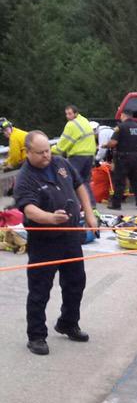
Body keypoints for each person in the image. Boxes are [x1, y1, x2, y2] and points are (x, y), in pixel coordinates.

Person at [13, 131, 98, 356]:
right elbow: (29, 209)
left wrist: (89, 214)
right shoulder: (24, 178)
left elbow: (80, 186)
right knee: (40, 289)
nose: (46, 156)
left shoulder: (60, 162)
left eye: (47, 150)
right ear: (28, 152)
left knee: (76, 281)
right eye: (40, 153)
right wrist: (51, 219)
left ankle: (68, 322)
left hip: (70, 234)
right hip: (45, 240)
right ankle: (36, 335)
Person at [53, 105, 97, 201]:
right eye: (66, 114)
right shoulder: (84, 120)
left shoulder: (71, 124)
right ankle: (91, 206)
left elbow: (62, 144)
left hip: (78, 156)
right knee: (85, 181)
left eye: (70, 114)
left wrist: (50, 149)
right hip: (89, 155)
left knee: (70, 180)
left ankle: (73, 204)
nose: (68, 116)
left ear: (76, 113)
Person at [107, 111, 137, 210]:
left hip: (123, 158)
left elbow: (113, 142)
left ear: (123, 116)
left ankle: (116, 205)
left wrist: (106, 145)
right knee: (136, 182)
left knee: (119, 182)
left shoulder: (121, 127)